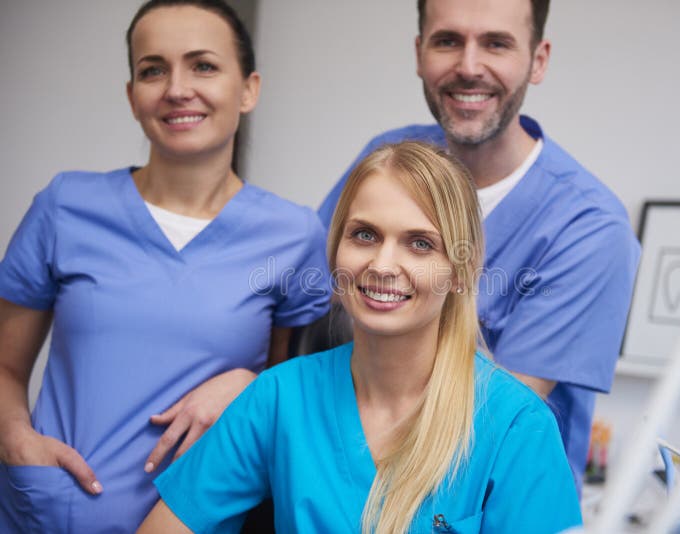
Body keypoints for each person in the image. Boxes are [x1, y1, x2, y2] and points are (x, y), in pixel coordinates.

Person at [0, 1, 330, 531]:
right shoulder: (65, 207)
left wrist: (248, 381)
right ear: (132, 97)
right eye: (153, 69)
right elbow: (6, 367)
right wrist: (16, 439)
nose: (177, 88)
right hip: (47, 516)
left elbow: (301, 385)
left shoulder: (293, 235)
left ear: (249, 89)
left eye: (203, 65)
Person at [138, 141, 581, 533]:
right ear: (335, 252)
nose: (383, 265)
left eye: (420, 243)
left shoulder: (515, 426)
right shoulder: (279, 399)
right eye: (364, 235)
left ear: (461, 270)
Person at [317, 0, 641, 493]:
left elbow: (490, 420)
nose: (469, 68)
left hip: (488, 502)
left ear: (538, 59)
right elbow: (313, 297)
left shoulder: (589, 228)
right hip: (345, 481)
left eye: (496, 43)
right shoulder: (390, 157)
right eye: (447, 41)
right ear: (419, 51)